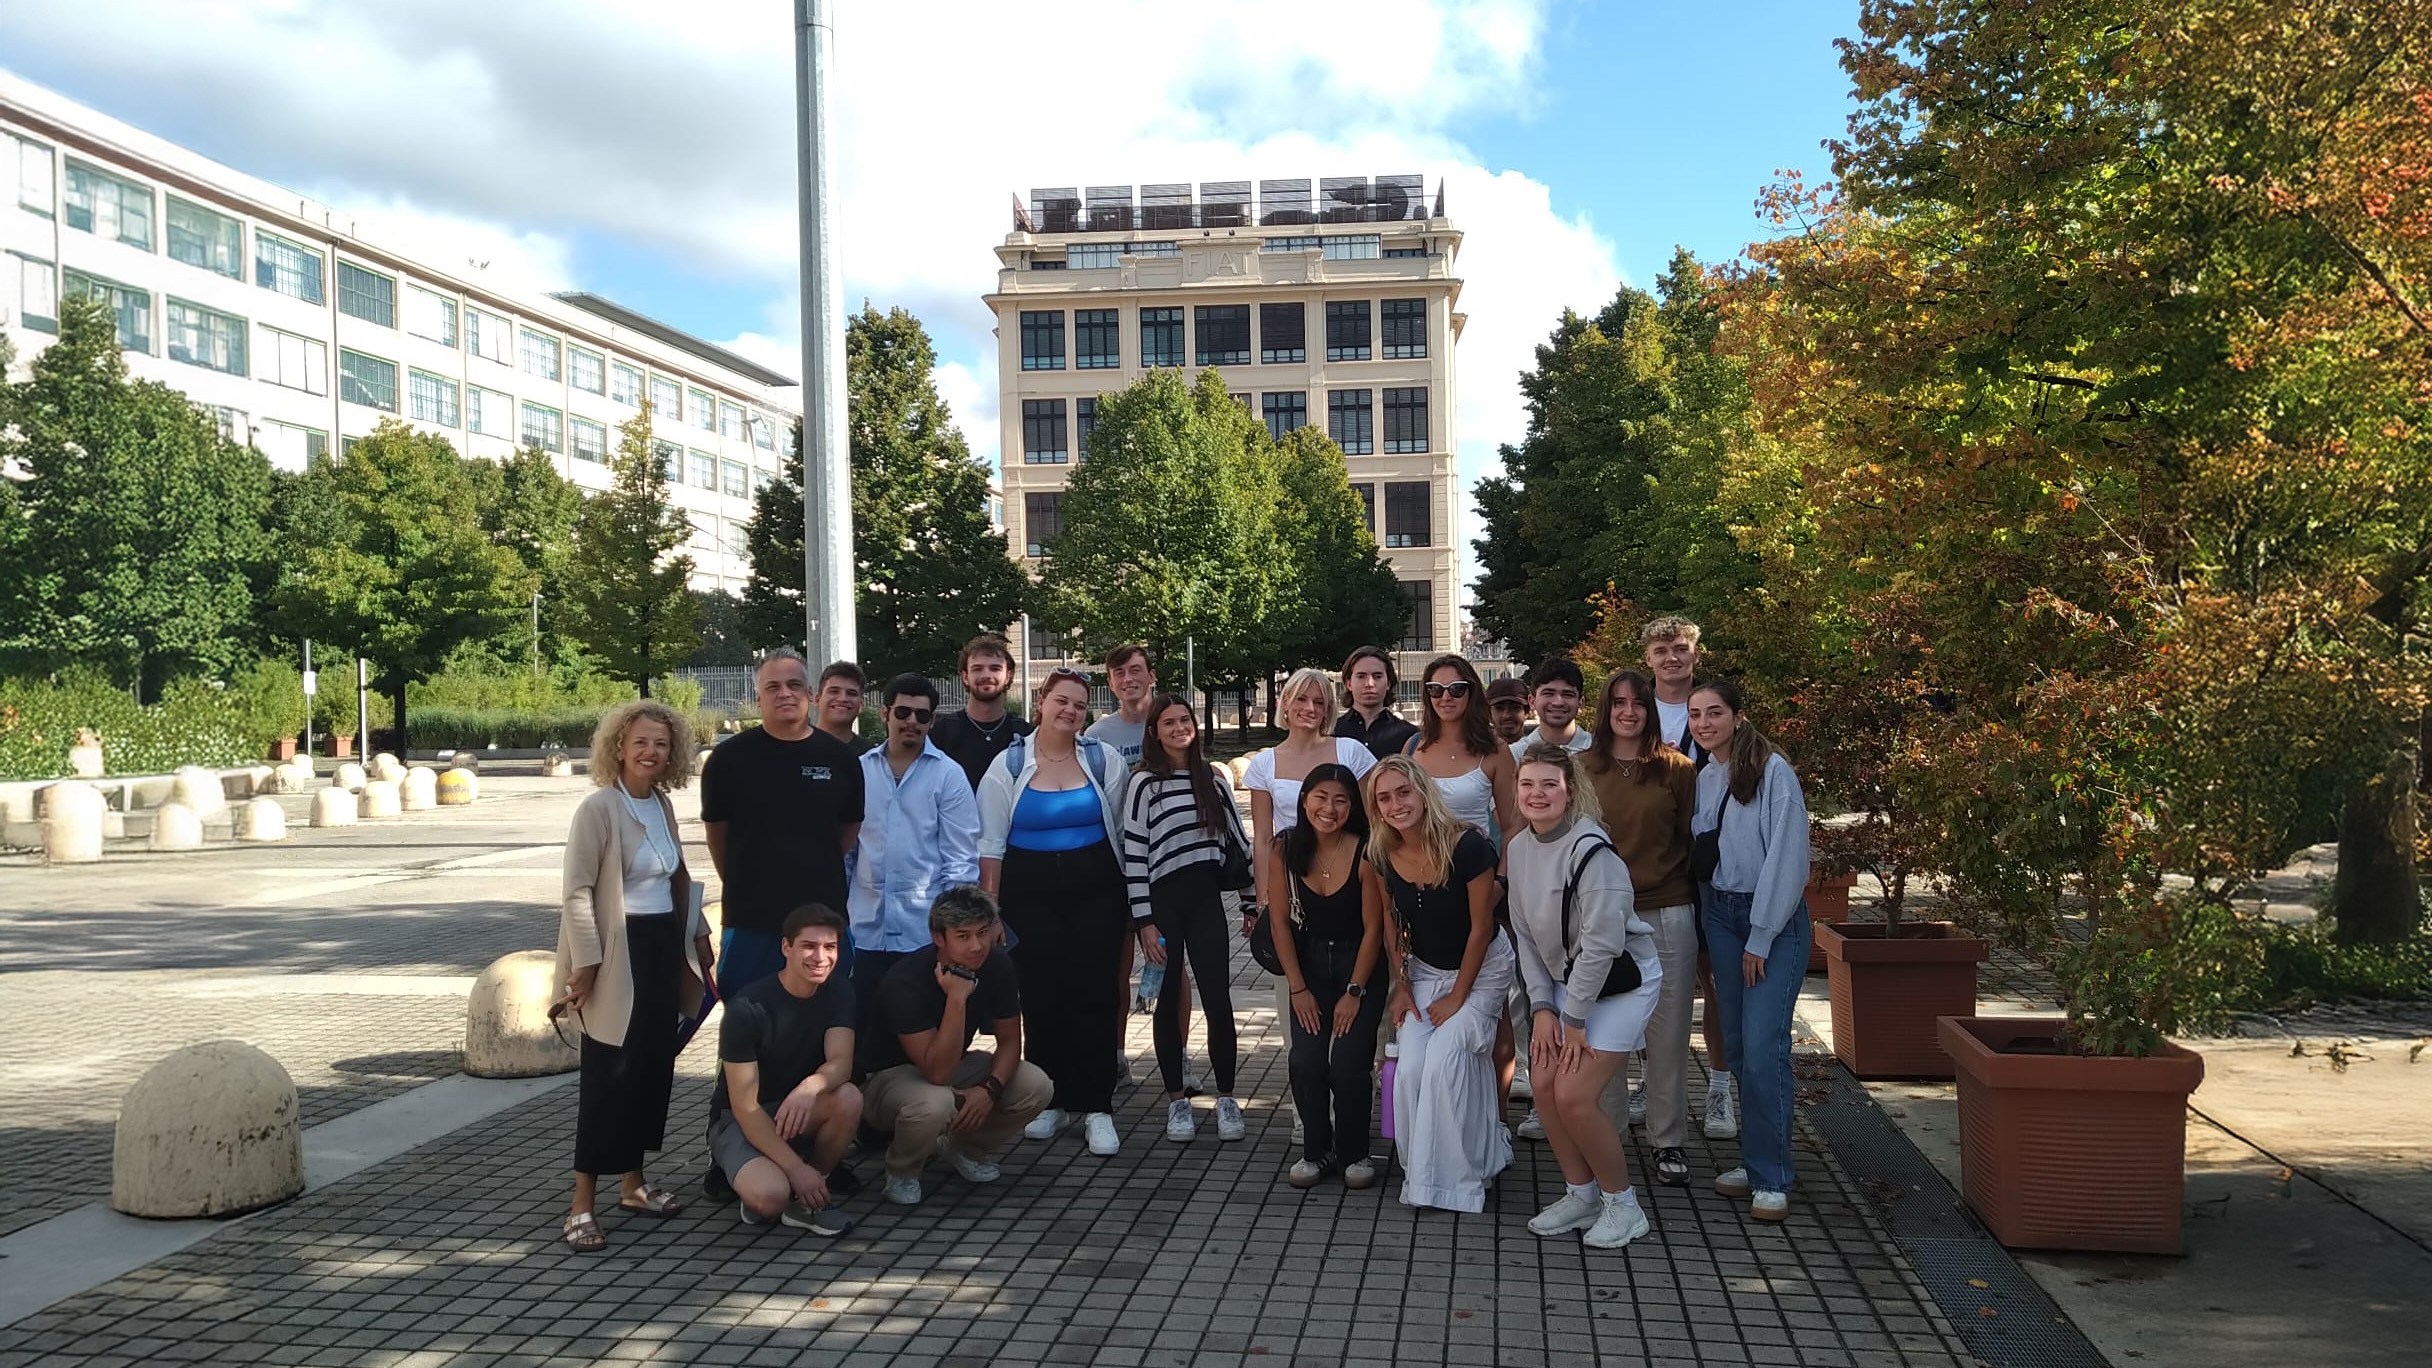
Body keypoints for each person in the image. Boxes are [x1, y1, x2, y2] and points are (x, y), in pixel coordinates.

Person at [552, 700, 714, 1252]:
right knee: (608, 1077)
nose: (651, 751)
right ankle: (580, 1204)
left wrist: (699, 934)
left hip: (660, 948)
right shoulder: (599, 809)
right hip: (614, 957)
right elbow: (576, 891)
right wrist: (587, 965)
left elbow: (680, 875)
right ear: (618, 746)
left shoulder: (663, 805)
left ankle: (634, 1184)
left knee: (650, 1071)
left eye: (661, 744)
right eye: (641, 741)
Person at [1508, 744, 1661, 1249]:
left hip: (1619, 985)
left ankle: (1624, 1204)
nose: (1537, 794)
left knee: (1573, 1096)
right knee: (1546, 1087)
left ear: (1569, 790)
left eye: (1549, 784)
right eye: (1527, 784)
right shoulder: (1518, 849)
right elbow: (1524, 936)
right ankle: (1582, 1194)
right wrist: (1544, 1009)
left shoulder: (1592, 849)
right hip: (1561, 988)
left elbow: (1602, 944)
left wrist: (1572, 1018)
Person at [978, 667, 1131, 1157]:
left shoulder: (1104, 759)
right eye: (1061, 701)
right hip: (1029, 891)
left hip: (1096, 889)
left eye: (1079, 705)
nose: (1069, 711)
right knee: (1042, 993)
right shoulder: (1009, 763)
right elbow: (991, 844)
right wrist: (993, 910)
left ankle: (1098, 1105)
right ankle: (1050, 1100)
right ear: (1041, 702)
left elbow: (1122, 831)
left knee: (1095, 991)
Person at [1687, 679, 1813, 1222]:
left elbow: (1788, 858)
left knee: (1765, 1048)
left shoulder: (1771, 772)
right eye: (1695, 714)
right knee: (1736, 1044)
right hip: (1721, 914)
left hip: (1770, 923)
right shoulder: (1707, 775)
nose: (1704, 722)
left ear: (1738, 716)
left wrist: (1761, 935)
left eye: (1715, 712)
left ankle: (1772, 1176)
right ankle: (1757, 1158)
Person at [1371, 756, 1515, 1213]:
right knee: (1412, 1069)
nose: (1396, 805)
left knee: (1445, 1063)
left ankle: (1465, 1176)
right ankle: (1424, 1176)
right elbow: (1392, 923)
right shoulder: (1379, 851)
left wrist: (1458, 996)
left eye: (1403, 792)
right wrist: (1402, 985)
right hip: (1425, 973)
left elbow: (1480, 927)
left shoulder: (1468, 846)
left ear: (1422, 792)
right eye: (1384, 797)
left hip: (1483, 969)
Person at [1583, 670, 1703, 1187]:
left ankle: (1668, 1140)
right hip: (1599, 918)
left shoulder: (1677, 768)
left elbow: (1688, 840)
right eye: (1618, 702)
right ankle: (1604, 1135)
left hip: (1665, 910)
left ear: (1650, 709)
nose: (1628, 711)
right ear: (1605, 709)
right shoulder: (1581, 768)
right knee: (1602, 1033)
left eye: (1637, 702)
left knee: (1668, 1033)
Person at [861, 886, 1055, 1205]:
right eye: (963, 936)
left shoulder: (997, 964)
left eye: (983, 932)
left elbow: (1009, 1042)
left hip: (949, 1064)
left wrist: (988, 1089)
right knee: (935, 1101)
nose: (977, 946)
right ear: (939, 938)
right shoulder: (904, 982)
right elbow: (937, 1073)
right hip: (886, 1079)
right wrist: (956, 998)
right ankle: (902, 1170)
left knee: (1036, 1084)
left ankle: (962, 1146)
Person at [1120, 693, 1248, 1143]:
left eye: (1185, 720)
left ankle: (1228, 1098)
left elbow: (1240, 847)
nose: (1179, 728)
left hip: (1207, 903)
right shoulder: (1142, 783)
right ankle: (1176, 1101)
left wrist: (1251, 906)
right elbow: (1133, 856)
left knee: (1218, 1000)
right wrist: (1144, 922)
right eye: (1168, 722)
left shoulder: (1212, 781)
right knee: (1167, 1002)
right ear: (1154, 731)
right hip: (1163, 908)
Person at [701, 651, 865, 997]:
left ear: (809, 693)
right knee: (747, 1023)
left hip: (823, 917)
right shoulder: (728, 760)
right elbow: (718, 835)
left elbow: (848, 831)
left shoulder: (839, 758)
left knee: (825, 1024)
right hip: (751, 920)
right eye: (772, 687)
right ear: (758, 698)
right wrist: (742, 877)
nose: (784, 693)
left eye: (793, 685)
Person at [1263, 763, 1388, 1189]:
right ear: (1303, 800)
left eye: (1340, 800)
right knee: (1306, 1060)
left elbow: (1375, 929)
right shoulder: (1285, 849)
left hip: (1360, 963)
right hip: (1308, 963)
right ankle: (1317, 1151)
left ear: (1352, 806)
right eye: (1320, 797)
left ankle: (1356, 1151)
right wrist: (1297, 987)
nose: (1329, 808)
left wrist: (1355, 991)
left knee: (1350, 1064)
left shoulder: (1367, 850)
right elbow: (1279, 920)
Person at [848, 673, 980, 1073]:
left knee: (915, 1041)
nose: (912, 722)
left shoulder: (948, 775)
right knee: (863, 1041)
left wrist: (950, 935)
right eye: (902, 712)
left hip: (921, 937)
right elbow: (847, 853)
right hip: (865, 933)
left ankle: (918, 1128)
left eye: (922, 716)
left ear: (931, 721)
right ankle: (865, 1129)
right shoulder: (859, 771)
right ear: (885, 713)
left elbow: (960, 861)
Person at [708, 904, 862, 1237]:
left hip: (796, 1106)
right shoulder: (746, 1009)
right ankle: (786, 1181)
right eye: (809, 946)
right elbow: (744, 1107)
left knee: (848, 1097)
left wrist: (811, 1086)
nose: (820, 957)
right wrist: (794, 1169)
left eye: (830, 947)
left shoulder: (839, 991)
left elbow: (841, 1062)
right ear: (786, 948)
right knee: (769, 1198)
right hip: (739, 1119)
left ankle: (809, 1196)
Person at [1641, 615, 1733, 1138]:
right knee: (1645, 983)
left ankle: (1718, 1089)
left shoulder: (1713, 707)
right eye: (1661, 650)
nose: (1671, 657)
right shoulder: (1634, 709)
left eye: (1680, 648)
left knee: (1712, 980)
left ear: (1696, 653)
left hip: (1709, 865)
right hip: (1653, 867)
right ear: (1648, 659)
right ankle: (1651, 1081)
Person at [1089, 644, 1191, 1084]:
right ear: (1110, 682)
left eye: (1135, 671)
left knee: (1172, 964)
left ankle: (1180, 1056)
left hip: (1168, 866)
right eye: (1118, 673)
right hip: (1117, 864)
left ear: (1151, 675)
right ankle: (1115, 1054)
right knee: (1118, 966)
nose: (1128, 679)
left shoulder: (1171, 722)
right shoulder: (1097, 734)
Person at [931, 633, 1033, 791]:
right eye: (977, 669)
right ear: (965, 677)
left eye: (995, 668)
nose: (986, 675)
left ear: (1008, 676)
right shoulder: (940, 734)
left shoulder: (1027, 736)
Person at [1334, 645, 1418, 759]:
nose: (1369, 683)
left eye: (1377, 676)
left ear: (1388, 683)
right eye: (1361, 676)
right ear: (1348, 683)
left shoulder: (1409, 735)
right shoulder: (1332, 733)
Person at [1508, 658, 1593, 762]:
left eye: (1567, 694)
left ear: (1581, 703)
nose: (1558, 702)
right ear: (1532, 701)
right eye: (1548, 693)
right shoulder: (1513, 756)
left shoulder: (1600, 751)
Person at [815, 661, 869, 753]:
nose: (842, 699)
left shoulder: (871, 757)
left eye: (851, 693)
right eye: (834, 691)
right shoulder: (793, 747)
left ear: (860, 705)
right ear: (817, 699)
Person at [1485, 676, 1532, 748]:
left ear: (1527, 712)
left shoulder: (1541, 753)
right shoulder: (1476, 755)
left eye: (1515, 708)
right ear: (1489, 713)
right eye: (1499, 708)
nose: (1507, 715)